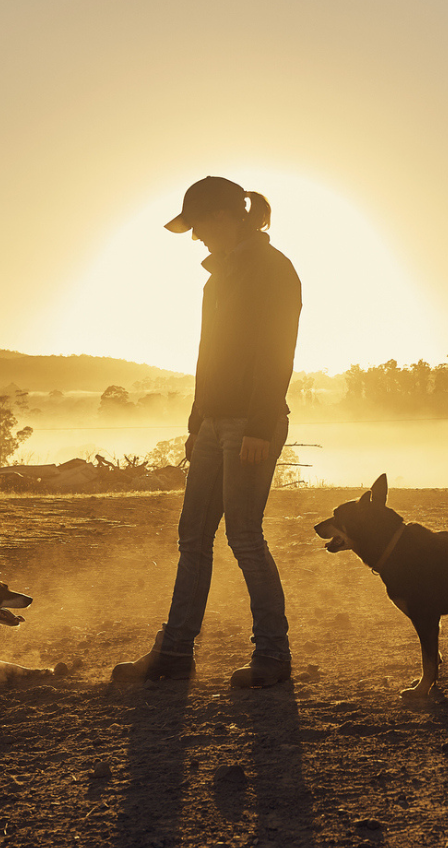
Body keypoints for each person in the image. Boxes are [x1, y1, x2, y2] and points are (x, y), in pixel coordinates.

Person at [112, 176, 302, 688]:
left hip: (251, 423)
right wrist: (197, 424)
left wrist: (259, 425)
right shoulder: (216, 280)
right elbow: (207, 355)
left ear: (223, 216)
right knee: (193, 536)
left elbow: (277, 352)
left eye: (197, 225)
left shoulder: (273, 269)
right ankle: (175, 652)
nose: (195, 237)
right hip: (215, 422)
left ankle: (274, 655)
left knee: (243, 535)